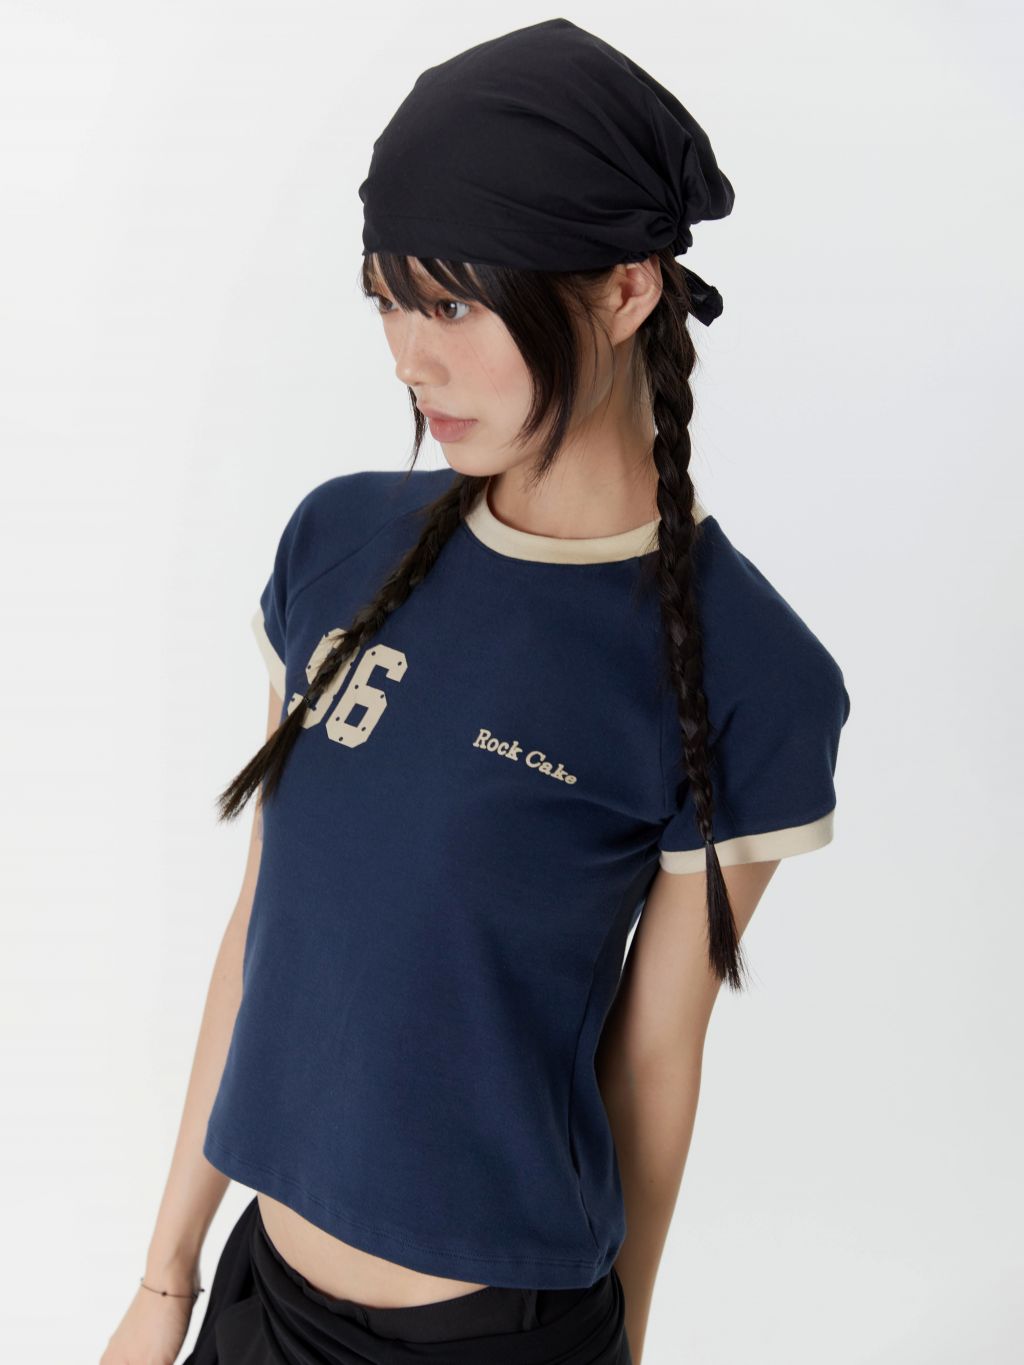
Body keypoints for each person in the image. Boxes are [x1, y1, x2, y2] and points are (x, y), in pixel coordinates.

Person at [100, 18, 851, 1365]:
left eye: (451, 304)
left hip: (496, 1339)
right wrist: (167, 1279)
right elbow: (265, 921)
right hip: (257, 1303)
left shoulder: (742, 668)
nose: (408, 356)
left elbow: (656, 1062)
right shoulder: (337, 543)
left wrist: (622, 1349)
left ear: (624, 291)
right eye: (385, 300)